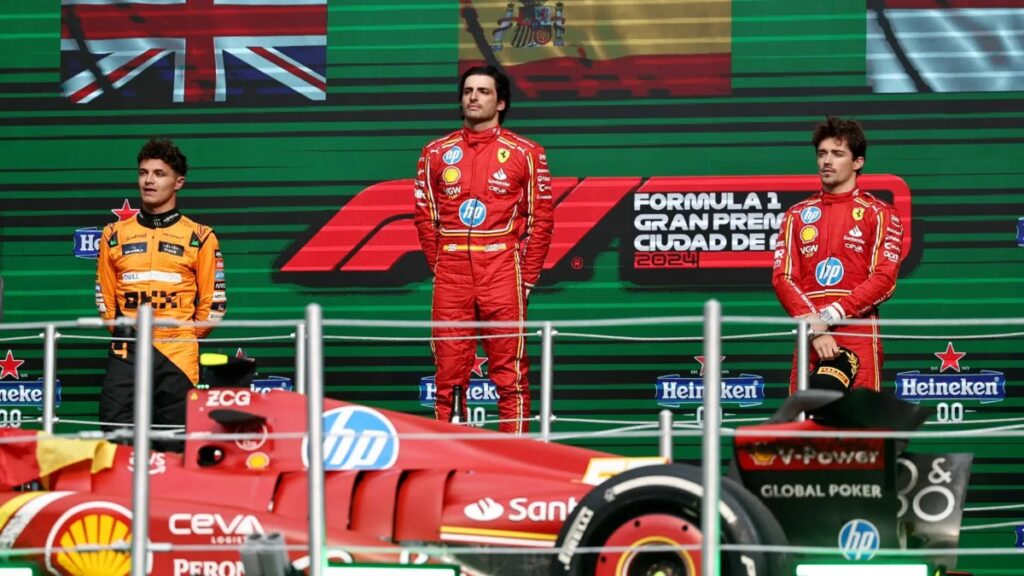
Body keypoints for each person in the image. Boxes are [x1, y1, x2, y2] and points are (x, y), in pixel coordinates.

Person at [413, 65, 554, 434]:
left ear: (501, 102)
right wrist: (443, 265)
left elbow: (542, 221)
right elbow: (425, 220)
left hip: (503, 270)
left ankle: (516, 461)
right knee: (447, 377)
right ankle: (451, 463)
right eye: (468, 91)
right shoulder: (435, 153)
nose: (473, 97)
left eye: (484, 91)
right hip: (452, 272)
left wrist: (526, 279)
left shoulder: (526, 153)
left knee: (510, 377)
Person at [96, 138, 226, 446]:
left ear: (178, 181)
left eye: (159, 173)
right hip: (127, 349)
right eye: (143, 173)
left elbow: (214, 303)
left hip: (178, 353)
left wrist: (185, 336)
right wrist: (124, 333)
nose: (149, 181)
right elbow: (105, 296)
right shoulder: (113, 235)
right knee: (116, 439)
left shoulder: (201, 237)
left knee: (178, 443)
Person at [772, 116, 904, 392]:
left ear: (858, 162)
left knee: (859, 430)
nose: (827, 161)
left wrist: (828, 317)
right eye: (822, 154)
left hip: (857, 333)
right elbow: (783, 278)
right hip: (810, 336)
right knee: (805, 429)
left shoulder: (880, 213)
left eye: (837, 153)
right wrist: (815, 327)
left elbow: (884, 279)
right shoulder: (796, 215)